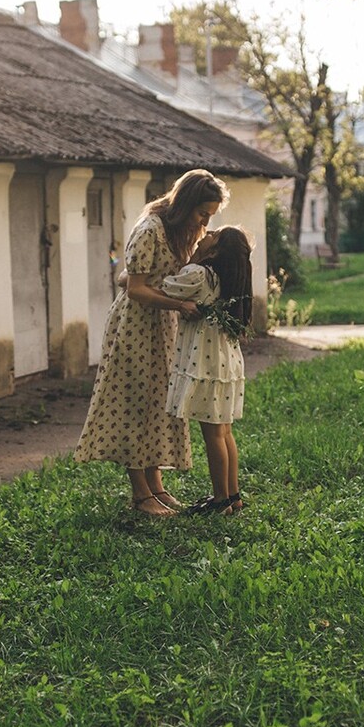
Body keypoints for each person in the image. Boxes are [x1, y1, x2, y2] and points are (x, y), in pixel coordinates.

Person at [73, 169, 229, 515]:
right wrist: (178, 304)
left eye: (210, 215)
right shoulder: (150, 229)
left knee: (160, 401)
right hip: (136, 325)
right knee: (135, 401)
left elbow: (133, 275)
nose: (205, 221)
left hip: (164, 325)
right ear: (186, 204)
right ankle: (140, 493)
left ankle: (156, 486)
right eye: (203, 213)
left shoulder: (183, 231)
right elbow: (136, 288)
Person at [159, 225, 254, 516]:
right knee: (224, 432)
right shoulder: (226, 280)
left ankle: (220, 500)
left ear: (215, 251)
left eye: (213, 235)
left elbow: (165, 286)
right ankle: (233, 495)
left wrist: (192, 256)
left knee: (213, 435)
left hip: (208, 363)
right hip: (226, 361)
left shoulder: (199, 274)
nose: (206, 232)